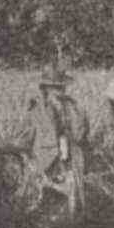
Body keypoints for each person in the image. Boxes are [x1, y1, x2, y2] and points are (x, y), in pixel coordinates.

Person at [25, 64, 90, 218]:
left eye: (62, 88)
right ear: (45, 89)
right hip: (45, 168)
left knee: (72, 208)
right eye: (55, 88)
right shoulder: (34, 113)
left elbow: (83, 135)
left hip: (70, 166)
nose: (59, 92)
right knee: (45, 211)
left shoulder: (75, 108)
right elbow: (23, 144)